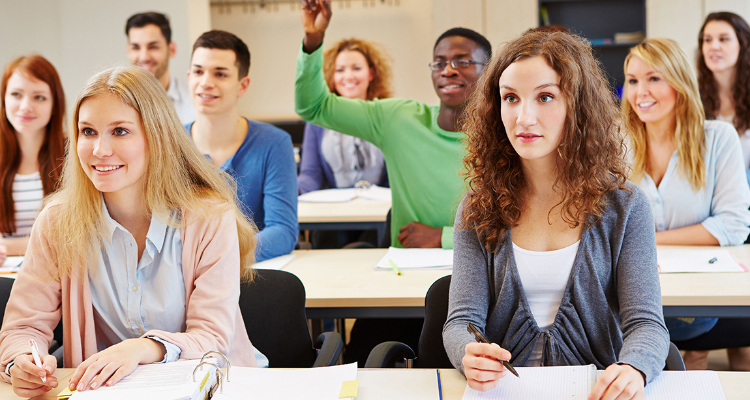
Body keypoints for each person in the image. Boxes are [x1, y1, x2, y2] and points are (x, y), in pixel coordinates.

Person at [0, 66, 260, 398]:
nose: (99, 149)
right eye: (88, 131)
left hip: (213, 388)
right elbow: (23, 327)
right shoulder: (57, 221)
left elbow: (212, 338)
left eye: (120, 131)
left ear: (157, 137)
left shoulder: (208, 216)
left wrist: (141, 349)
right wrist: (22, 361)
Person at [443, 30, 670, 398]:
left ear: (577, 107)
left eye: (545, 97)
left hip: (596, 391)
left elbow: (647, 325)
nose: (524, 118)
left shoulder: (626, 206)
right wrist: (467, 354)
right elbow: (460, 322)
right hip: (506, 392)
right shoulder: (478, 206)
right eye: (510, 98)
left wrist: (634, 368)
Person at [297, 0, 491, 249]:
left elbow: (516, 228)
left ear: (489, 71)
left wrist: (442, 237)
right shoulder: (399, 119)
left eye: (463, 62)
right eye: (439, 63)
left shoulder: (505, 135)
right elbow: (313, 106)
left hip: (482, 263)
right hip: (407, 265)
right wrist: (313, 39)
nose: (448, 71)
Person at [623, 38, 750, 371]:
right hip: (632, 300)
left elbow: (733, 226)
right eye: (633, 80)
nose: (640, 92)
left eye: (654, 78)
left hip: (702, 296)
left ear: (679, 82)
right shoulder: (617, 145)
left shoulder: (719, 138)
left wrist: (647, 239)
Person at [186, 30, 298, 262]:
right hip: (183, 275)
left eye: (220, 74)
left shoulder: (274, 143)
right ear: (189, 77)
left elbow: (283, 231)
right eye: (198, 72)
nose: (205, 83)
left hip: (246, 272)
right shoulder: (167, 144)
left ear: (243, 85)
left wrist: (220, 257)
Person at [297, 37, 391, 194]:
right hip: (336, 207)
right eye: (340, 70)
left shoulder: (388, 116)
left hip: (382, 206)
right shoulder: (317, 121)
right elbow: (310, 176)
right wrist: (291, 191)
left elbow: (398, 176)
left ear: (371, 73)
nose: (348, 76)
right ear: (331, 76)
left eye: (356, 68)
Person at [0, 55, 66, 258]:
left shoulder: (72, 155)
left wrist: (6, 246)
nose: (25, 106)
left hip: (57, 273)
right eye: (16, 94)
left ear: (54, 105)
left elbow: (71, 236)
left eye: (39, 97)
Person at [697, 12, 750, 181]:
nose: (714, 46)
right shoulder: (691, 97)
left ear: (743, 44)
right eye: (707, 40)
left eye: (723, 39)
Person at [125, 11, 195, 124]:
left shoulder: (193, 104)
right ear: (128, 51)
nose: (144, 57)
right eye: (136, 48)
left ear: (171, 49)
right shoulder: (117, 103)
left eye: (153, 47)